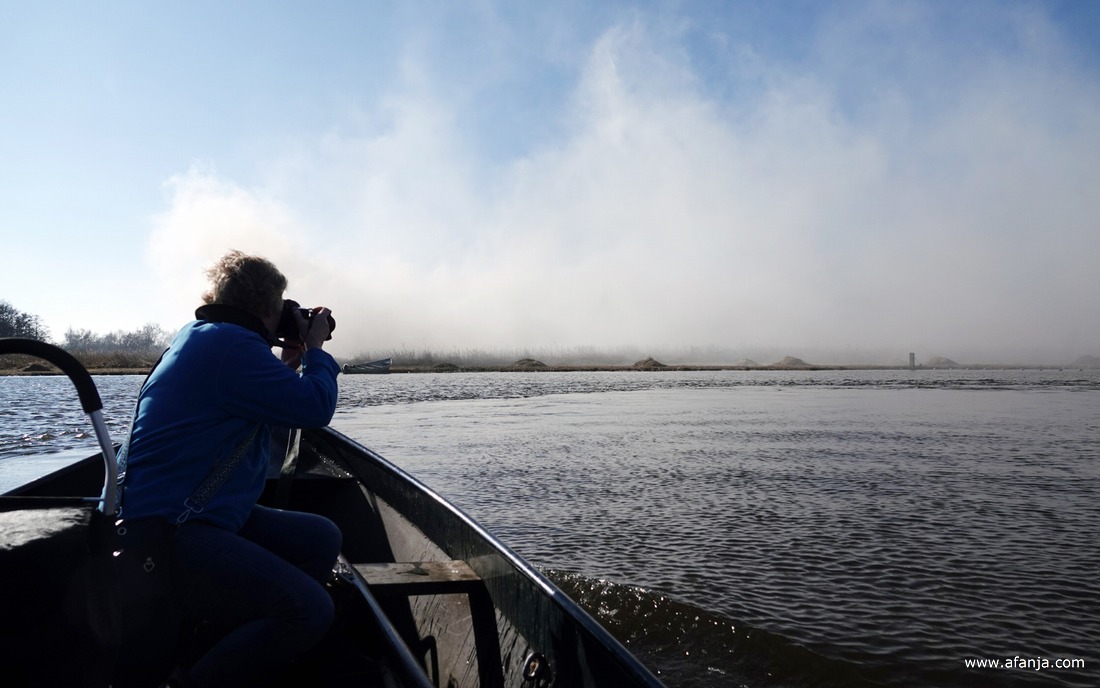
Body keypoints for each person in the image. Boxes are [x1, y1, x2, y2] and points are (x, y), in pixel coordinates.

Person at [115, 250, 342, 687]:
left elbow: (257, 395)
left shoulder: (204, 335)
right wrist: (314, 350)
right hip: (171, 533)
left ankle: (235, 637)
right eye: (282, 303)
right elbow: (314, 407)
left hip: (181, 515)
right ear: (267, 306)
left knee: (321, 537)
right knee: (310, 610)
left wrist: (290, 355)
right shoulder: (231, 347)